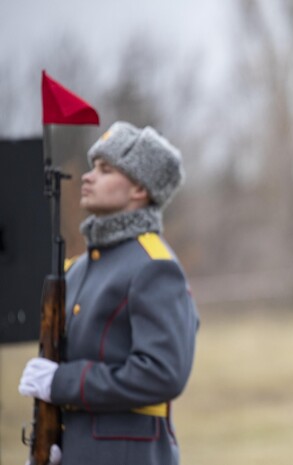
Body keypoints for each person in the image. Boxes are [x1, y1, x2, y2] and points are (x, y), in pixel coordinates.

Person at [19, 121, 199, 465]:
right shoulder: (77, 269)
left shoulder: (154, 266)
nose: (88, 177)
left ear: (139, 189)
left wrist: (63, 383)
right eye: (92, 168)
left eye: (105, 170)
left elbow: (162, 373)